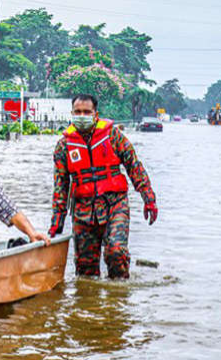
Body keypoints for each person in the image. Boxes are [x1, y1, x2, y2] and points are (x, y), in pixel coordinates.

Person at [49, 93, 158, 279]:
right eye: (77, 112)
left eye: (86, 112)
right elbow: (61, 186)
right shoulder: (64, 146)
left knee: (116, 252)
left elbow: (134, 166)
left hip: (115, 206)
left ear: (95, 114)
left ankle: (118, 301)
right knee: (85, 272)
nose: (81, 116)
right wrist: (56, 222)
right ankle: (90, 307)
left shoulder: (113, 136)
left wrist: (149, 199)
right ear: (71, 113)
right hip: (83, 212)